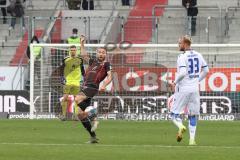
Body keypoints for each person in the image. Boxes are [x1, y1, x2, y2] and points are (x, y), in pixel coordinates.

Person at [170, 35, 209, 145]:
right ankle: (192, 140)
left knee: (174, 115)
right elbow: (206, 70)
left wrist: (174, 82)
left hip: (183, 89)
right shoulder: (199, 55)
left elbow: (182, 73)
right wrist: (197, 80)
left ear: (185, 44)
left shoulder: (182, 57)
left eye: (180, 43)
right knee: (193, 115)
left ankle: (181, 126)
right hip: (195, 90)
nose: (178, 45)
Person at [75, 37, 113, 143]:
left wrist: (104, 84)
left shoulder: (106, 64)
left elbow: (110, 77)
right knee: (80, 114)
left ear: (105, 55)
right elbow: (84, 56)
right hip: (85, 86)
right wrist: (82, 44)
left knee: (77, 98)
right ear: (96, 53)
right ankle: (93, 137)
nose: (101, 54)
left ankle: (94, 116)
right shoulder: (92, 62)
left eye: (103, 53)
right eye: (99, 52)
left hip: (92, 87)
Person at [59, 45, 85, 121]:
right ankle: (63, 115)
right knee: (65, 98)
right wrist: (62, 78)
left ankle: (75, 115)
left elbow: (82, 70)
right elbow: (61, 69)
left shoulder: (80, 59)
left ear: (76, 51)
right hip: (68, 81)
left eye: (74, 50)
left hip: (77, 82)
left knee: (76, 99)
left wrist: (84, 78)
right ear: (69, 51)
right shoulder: (65, 59)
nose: (73, 51)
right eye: (71, 50)